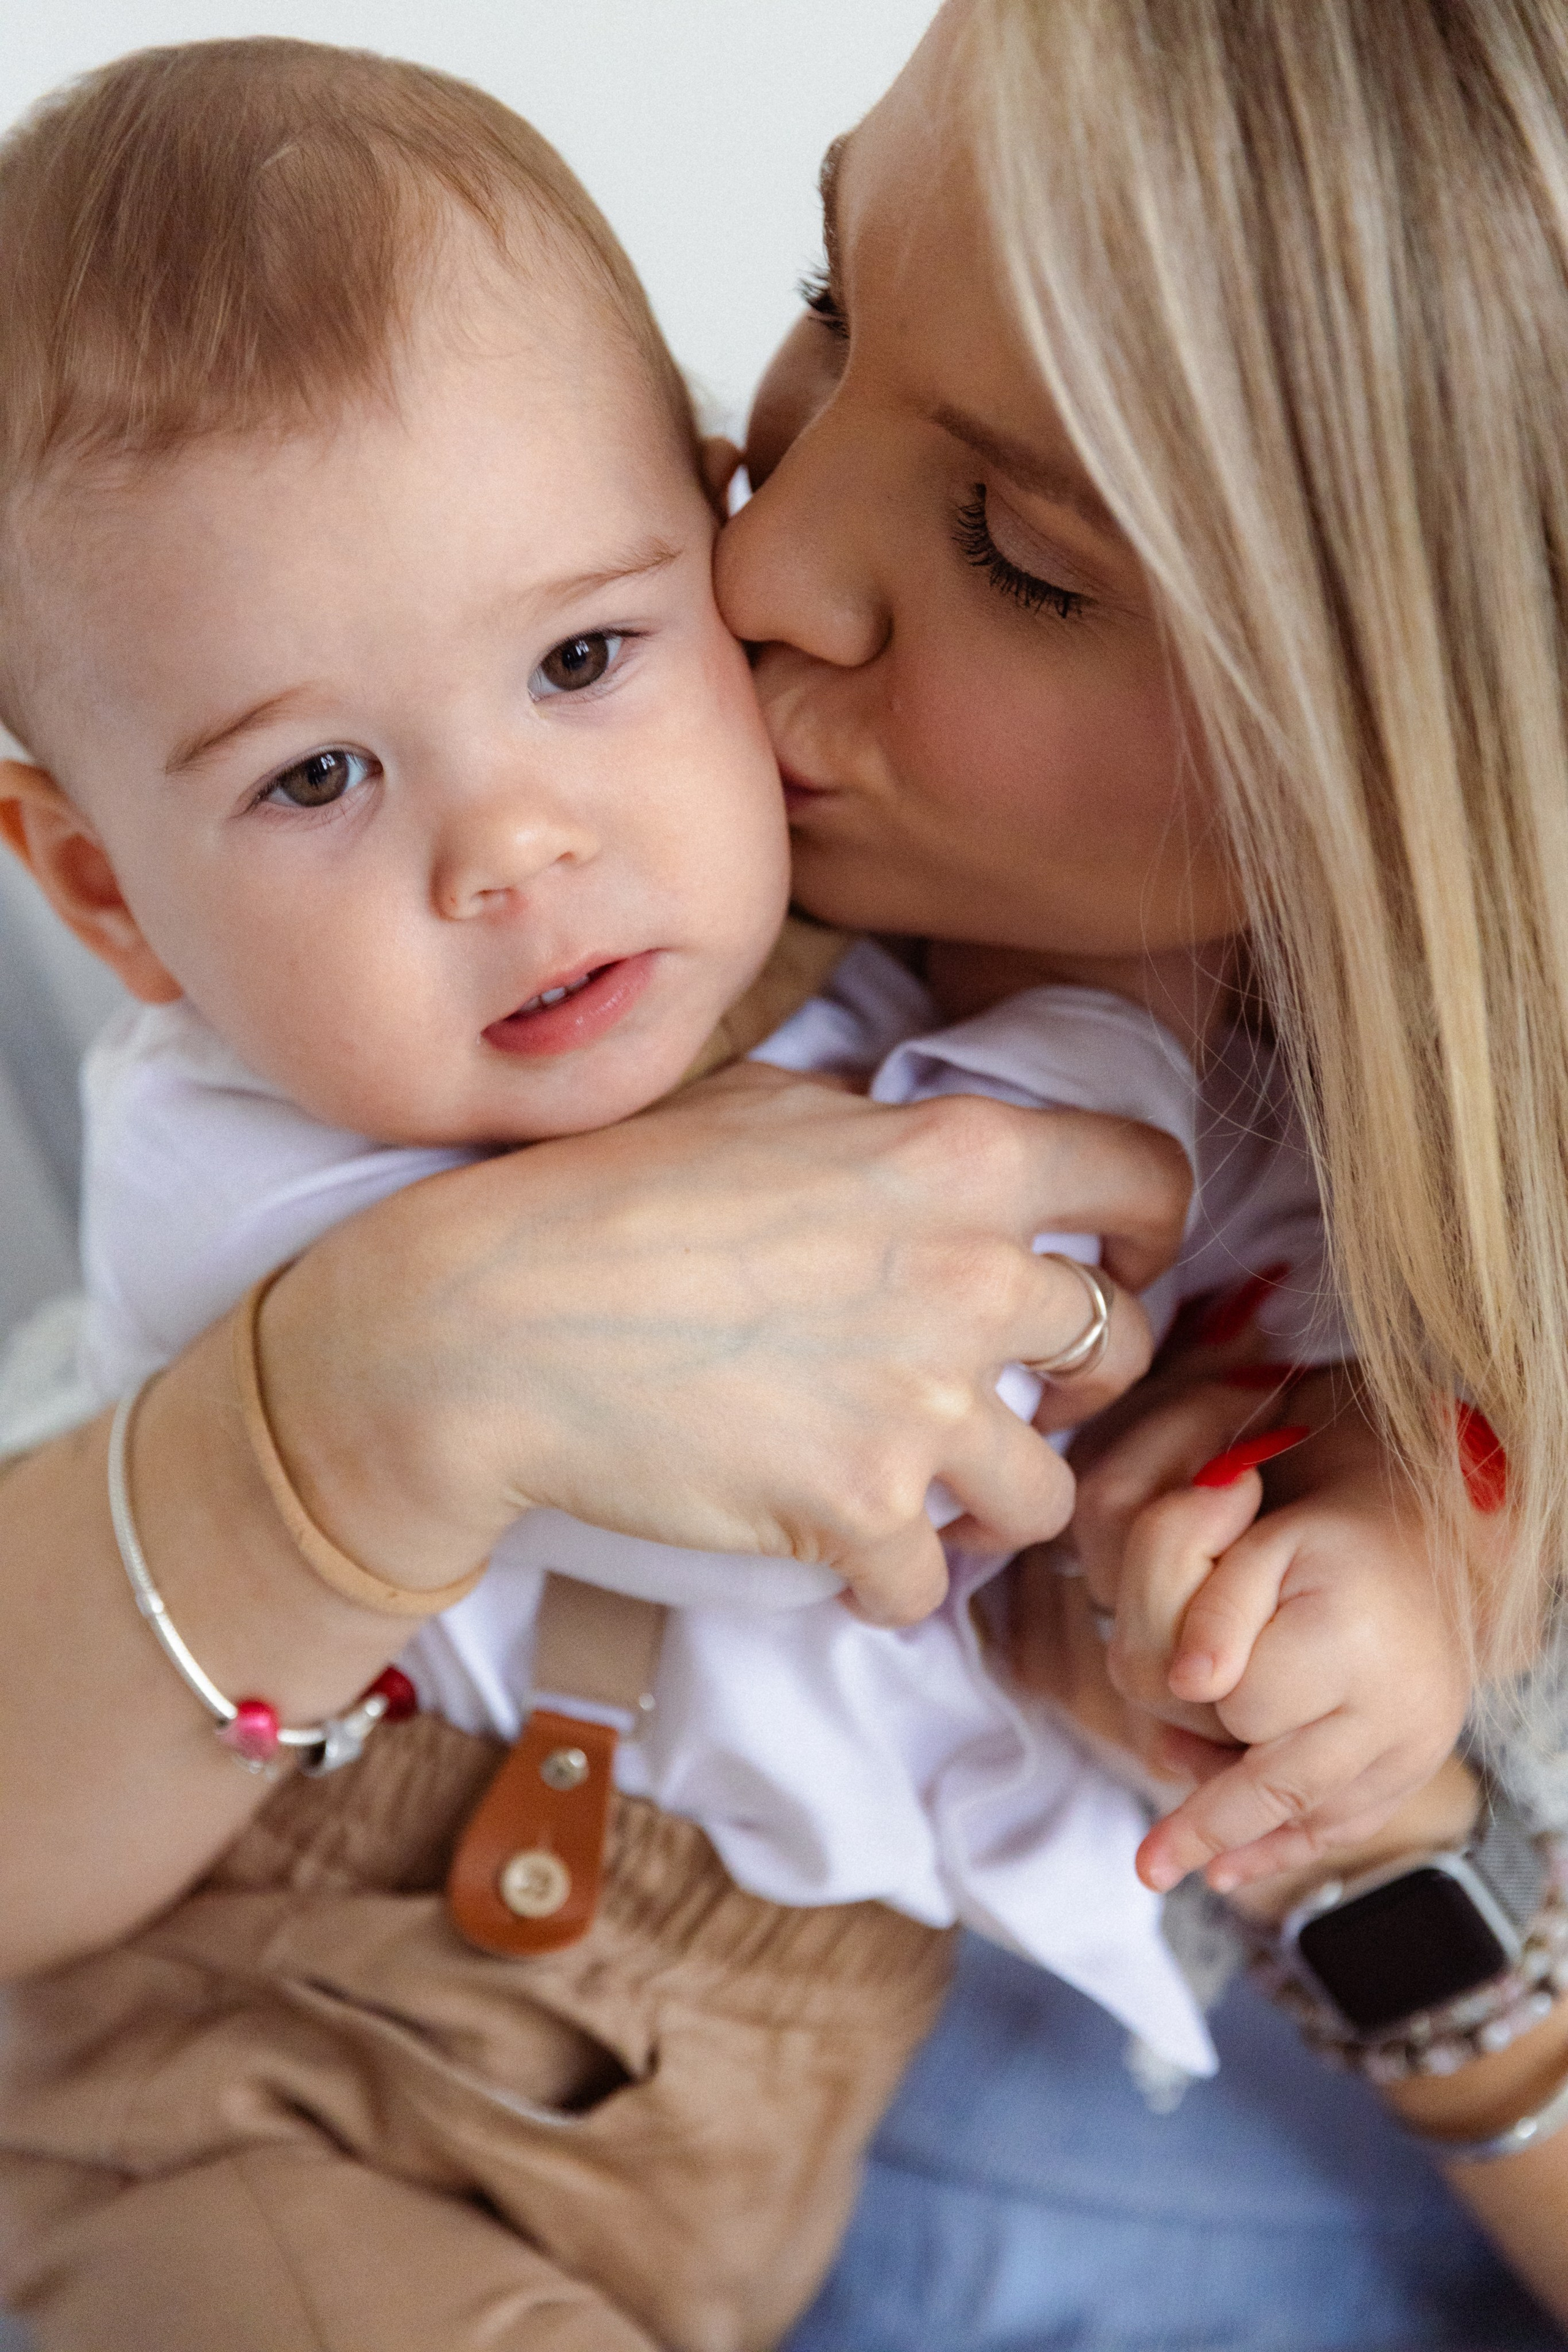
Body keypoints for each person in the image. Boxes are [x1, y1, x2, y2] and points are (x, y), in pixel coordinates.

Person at [0, 36, 1480, 2346]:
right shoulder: (291, 1123)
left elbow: (1155, 1270)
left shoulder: (977, 993)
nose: (514, 842)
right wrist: (370, 1396)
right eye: (823, 292)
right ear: (105, 892)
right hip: (307, 2051)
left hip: (750, 2112)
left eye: (589, 653)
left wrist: (1364, 1569)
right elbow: (838, 1377)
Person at [703, 0, 1568, 2338]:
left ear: (1427, 736)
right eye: (823, 300)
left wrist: (1375, 1845)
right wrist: (343, 1407)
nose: (759, 547)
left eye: (1019, 549)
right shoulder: (570, 825)